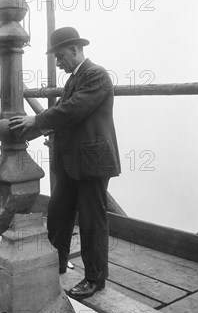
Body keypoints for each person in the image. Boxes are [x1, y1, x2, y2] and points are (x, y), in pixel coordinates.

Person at [9, 26, 121, 299]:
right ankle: (55, 264)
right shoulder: (75, 77)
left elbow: (74, 109)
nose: (58, 63)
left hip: (92, 162)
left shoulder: (96, 75)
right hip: (71, 162)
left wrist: (37, 121)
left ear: (74, 50)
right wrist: (35, 130)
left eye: (60, 56)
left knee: (93, 220)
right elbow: (64, 116)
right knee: (59, 215)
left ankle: (95, 278)